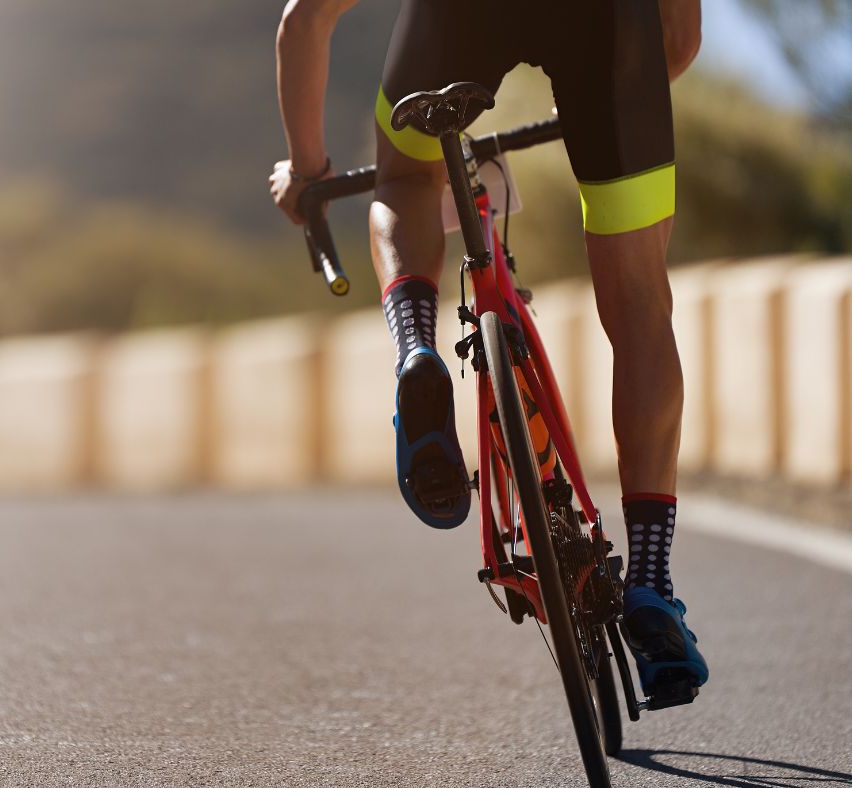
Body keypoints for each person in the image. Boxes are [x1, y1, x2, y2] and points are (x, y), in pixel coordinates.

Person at [270, 0, 708, 699]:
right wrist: (612, 107)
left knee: (408, 178)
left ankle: (417, 344)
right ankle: (651, 580)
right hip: (610, 27)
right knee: (640, 312)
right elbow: (679, 42)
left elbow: (304, 18)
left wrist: (307, 167)